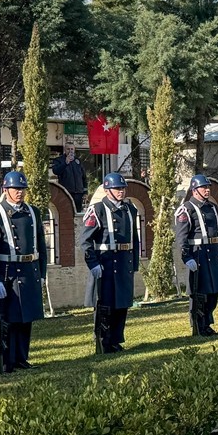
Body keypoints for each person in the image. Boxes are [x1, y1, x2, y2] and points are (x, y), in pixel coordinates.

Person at [0, 171, 47, 373]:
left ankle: (21, 358)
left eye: (22, 189)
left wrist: (42, 273)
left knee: (26, 318)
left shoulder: (33, 212)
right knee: (9, 320)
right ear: (5, 190)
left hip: (29, 271)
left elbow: (40, 245)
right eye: (15, 189)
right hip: (9, 274)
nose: (19, 193)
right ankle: (6, 363)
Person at [83, 173, 140, 353]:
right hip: (105, 262)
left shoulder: (130, 209)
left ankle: (116, 339)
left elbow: (135, 239)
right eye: (117, 189)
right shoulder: (98, 209)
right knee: (105, 304)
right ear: (108, 191)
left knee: (122, 303)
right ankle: (103, 340)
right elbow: (85, 241)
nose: (121, 192)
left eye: (123, 189)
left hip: (124, 262)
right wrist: (93, 263)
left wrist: (134, 263)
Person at [175, 175, 218, 336]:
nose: (207, 190)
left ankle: (207, 323)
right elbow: (181, 237)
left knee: (213, 292)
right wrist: (187, 257)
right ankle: (199, 325)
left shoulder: (212, 207)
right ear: (194, 190)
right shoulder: (187, 209)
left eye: (208, 187)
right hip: (198, 256)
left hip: (214, 253)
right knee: (199, 294)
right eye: (203, 187)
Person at [50, 143, 88, 212]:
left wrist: (85, 191)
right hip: (66, 192)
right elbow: (55, 171)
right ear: (65, 150)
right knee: (67, 212)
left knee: (78, 212)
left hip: (78, 193)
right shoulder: (59, 160)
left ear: (74, 150)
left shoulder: (78, 161)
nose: (70, 151)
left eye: (72, 149)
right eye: (68, 149)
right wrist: (65, 163)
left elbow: (83, 177)